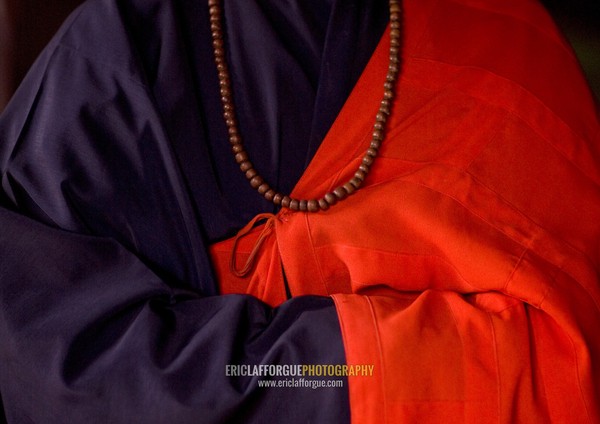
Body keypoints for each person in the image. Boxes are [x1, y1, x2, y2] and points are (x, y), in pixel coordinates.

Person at [0, 0, 598, 423]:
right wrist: (332, 373)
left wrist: (277, 376)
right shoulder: (114, 58)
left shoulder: (505, 45)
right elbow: (47, 358)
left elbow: (566, 360)